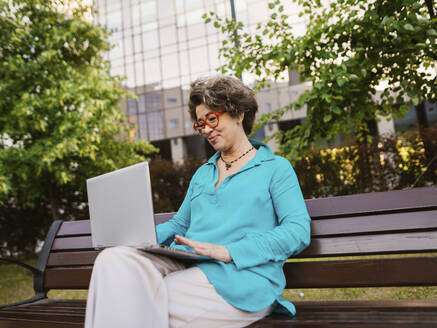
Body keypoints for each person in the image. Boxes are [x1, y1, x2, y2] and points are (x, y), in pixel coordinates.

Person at [85, 76, 311, 328]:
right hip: (190, 264)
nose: (206, 130)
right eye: (200, 124)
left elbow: (297, 231)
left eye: (212, 119)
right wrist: (136, 237)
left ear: (239, 113)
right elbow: (180, 224)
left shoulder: (275, 168)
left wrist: (228, 251)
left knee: (134, 299)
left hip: (242, 279)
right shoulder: (204, 173)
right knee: (114, 259)